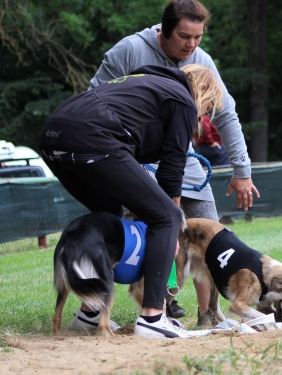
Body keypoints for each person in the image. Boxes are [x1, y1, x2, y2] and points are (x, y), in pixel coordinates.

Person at [88, 0, 260, 327]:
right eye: (184, 36)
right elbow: (94, 103)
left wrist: (242, 171)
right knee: (129, 235)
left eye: (198, 38)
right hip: (136, 159)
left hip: (183, 159)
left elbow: (225, 113)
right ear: (164, 30)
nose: (191, 45)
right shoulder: (128, 52)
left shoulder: (201, 60)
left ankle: (209, 315)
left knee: (209, 232)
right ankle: (121, 310)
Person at [39, 64, 224, 338]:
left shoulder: (145, 82)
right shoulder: (183, 99)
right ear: (204, 89)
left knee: (109, 214)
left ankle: (90, 312)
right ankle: (153, 318)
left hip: (52, 136)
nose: (204, 115)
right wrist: (170, 227)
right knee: (168, 216)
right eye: (208, 107)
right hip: (92, 138)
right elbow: (173, 168)